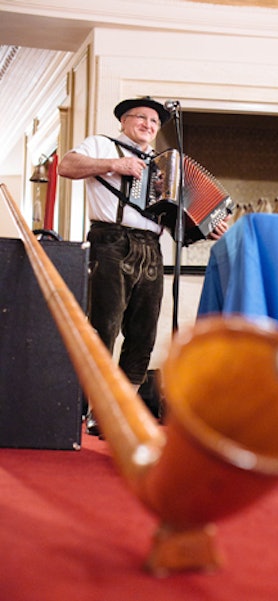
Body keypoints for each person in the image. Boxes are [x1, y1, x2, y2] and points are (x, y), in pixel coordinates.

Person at [58, 96, 229, 436]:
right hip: (110, 241)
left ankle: (120, 413)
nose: (149, 125)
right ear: (123, 121)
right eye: (142, 118)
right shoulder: (102, 145)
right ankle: (93, 407)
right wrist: (112, 165)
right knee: (103, 328)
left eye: (155, 122)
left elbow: (178, 214)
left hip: (151, 248)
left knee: (143, 335)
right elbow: (66, 166)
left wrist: (206, 227)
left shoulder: (164, 165)